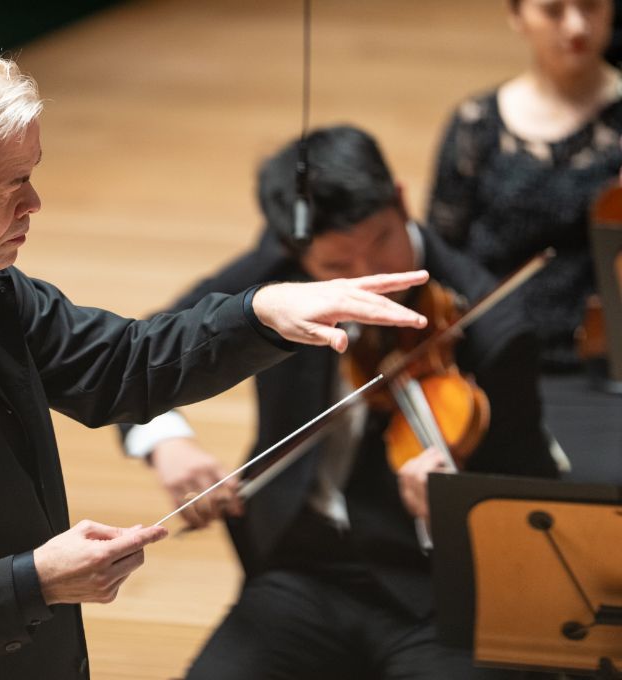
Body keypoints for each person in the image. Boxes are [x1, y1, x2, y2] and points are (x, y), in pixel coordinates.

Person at [0, 38, 430, 680]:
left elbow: (118, 368)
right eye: (10, 186)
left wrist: (259, 314)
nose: (35, 204)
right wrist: (33, 582)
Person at [121, 125, 560, 680]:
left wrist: (460, 502)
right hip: (304, 568)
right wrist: (169, 441)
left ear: (400, 201)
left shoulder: (495, 327)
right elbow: (144, 358)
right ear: (293, 251)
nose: (367, 282)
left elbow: (536, 504)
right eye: (335, 268)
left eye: (381, 243)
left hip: (439, 591)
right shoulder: (279, 276)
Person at [427, 0, 622, 477]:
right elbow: (441, 252)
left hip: (600, 372)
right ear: (517, 17)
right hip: (493, 358)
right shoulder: (476, 124)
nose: (576, 26)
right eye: (553, 10)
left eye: (591, 6)